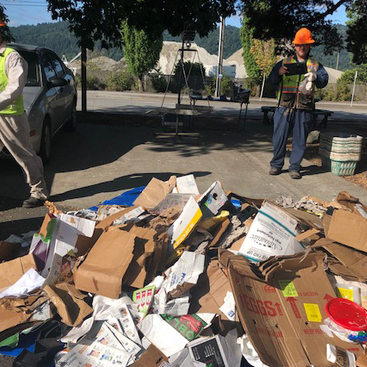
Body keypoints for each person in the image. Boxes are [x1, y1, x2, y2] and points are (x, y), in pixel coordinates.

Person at [268, 28, 329, 179]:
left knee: (300, 140)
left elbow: (324, 81)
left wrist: (316, 77)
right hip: (284, 107)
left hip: (304, 108)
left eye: (305, 45)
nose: (302, 48)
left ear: (309, 46)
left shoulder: (315, 65)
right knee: (279, 138)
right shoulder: (284, 63)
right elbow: (271, 81)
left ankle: (294, 168)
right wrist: (278, 73)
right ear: (295, 46)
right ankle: (276, 165)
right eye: (299, 45)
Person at [0, 20, 48, 207]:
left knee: (24, 155)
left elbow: (15, 88)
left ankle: (39, 192)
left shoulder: (12, 57)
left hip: (10, 116)